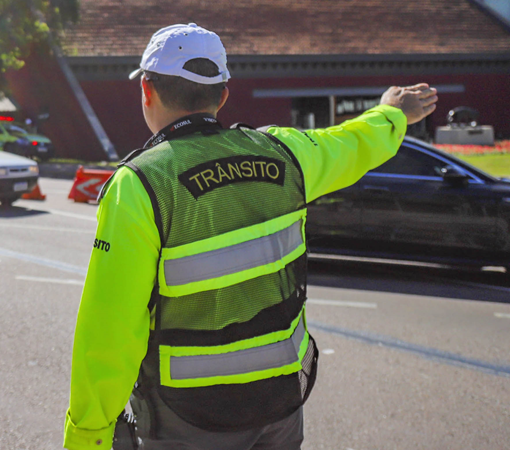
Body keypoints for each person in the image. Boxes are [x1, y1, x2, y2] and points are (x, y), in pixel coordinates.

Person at [63, 23, 437, 450]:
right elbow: (352, 144)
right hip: (278, 406)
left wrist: (87, 435)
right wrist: (392, 112)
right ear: (222, 95)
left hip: (187, 419)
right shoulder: (284, 153)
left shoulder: (140, 185)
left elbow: (109, 330)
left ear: (146, 91)